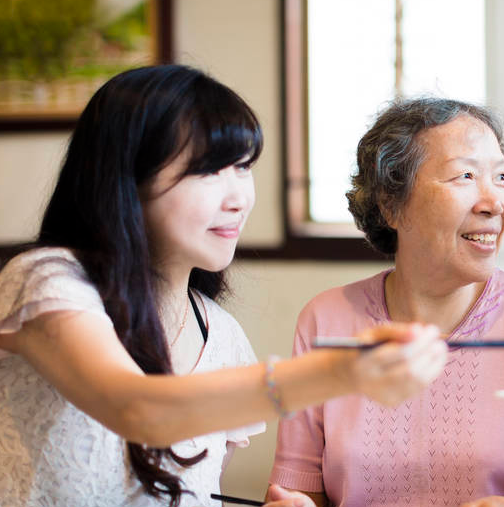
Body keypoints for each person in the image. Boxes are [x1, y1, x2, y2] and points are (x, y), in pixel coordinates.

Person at [0, 65, 447, 507]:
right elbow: (138, 410)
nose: (238, 199)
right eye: (208, 171)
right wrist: (339, 372)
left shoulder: (222, 336)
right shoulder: (48, 282)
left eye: (243, 167)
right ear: (127, 178)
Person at [267, 98, 504, 507]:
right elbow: (296, 488)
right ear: (391, 206)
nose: (493, 203)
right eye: (465, 176)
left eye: (501, 177)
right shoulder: (326, 321)